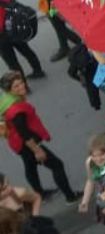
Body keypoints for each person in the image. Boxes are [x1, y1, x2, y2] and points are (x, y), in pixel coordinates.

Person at [0, 72, 76, 203]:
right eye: (16, 86)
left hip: (16, 142)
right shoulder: (17, 110)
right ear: (9, 90)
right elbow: (24, 133)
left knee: (30, 167)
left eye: (21, 82)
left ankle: (39, 194)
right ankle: (70, 196)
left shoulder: (7, 100)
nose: (22, 87)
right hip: (26, 143)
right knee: (57, 165)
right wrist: (37, 150)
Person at [0, 0, 43, 80]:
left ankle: (23, 85)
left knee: (12, 62)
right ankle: (38, 71)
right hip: (14, 28)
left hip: (2, 37)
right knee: (26, 51)